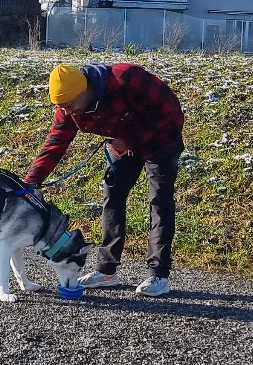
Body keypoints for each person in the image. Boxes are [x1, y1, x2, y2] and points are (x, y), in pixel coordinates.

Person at [24, 63, 184, 297]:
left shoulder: (128, 79)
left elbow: (172, 114)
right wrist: (31, 182)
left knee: (159, 200)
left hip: (161, 141)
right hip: (123, 143)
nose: (66, 112)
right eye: (60, 107)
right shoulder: (68, 106)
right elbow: (55, 143)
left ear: (84, 90)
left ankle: (158, 275)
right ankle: (107, 271)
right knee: (112, 196)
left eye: (68, 106)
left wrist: (129, 139)